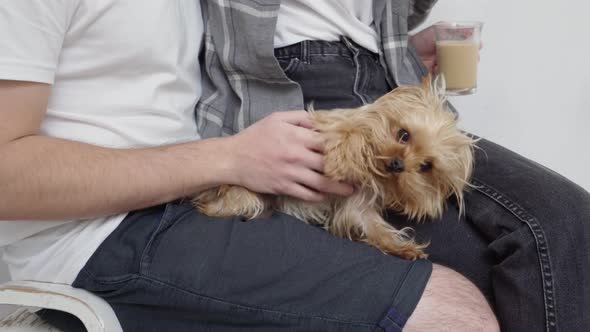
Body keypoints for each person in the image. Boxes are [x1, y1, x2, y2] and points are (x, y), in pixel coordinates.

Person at [0, 1, 498, 331]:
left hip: (188, 199)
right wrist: (230, 157)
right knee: (453, 313)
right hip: (98, 238)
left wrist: (399, 52)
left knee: (498, 265)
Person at [196, 0, 590, 331]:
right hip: (295, 74)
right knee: (516, 265)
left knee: (569, 221)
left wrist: (397, 41)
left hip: (391, 72)